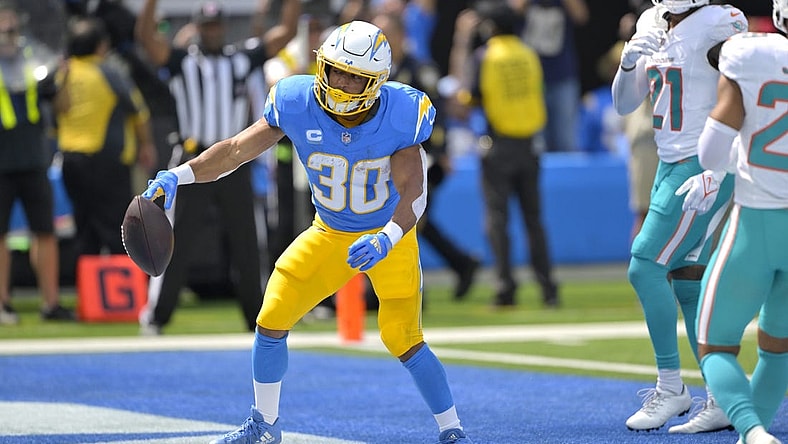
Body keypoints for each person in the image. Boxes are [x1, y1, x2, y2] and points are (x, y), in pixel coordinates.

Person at [141, 20, 473, 444]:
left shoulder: (402, 112)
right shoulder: (296, 100)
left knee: (403, 338)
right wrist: (179, 174)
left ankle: (452, 430)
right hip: (329, 232)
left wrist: (387, 237)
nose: (343, 82)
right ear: (323, 66)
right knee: (272, 315)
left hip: (386, 236)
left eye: (357, 77)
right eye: (338, 70)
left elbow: (415, 190)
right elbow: (236, 150)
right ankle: (264, 426)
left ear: (377, 82)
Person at [611, 0, 747, 433]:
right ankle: (723, 396)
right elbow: (623, 103)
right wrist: (628, 62)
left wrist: (721, 169)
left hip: (703, 163)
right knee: (687, 280)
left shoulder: (719, 22)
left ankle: (671, 387)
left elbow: (746, 98)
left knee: (644, 265)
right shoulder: (651, 20)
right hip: (670, 161)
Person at [133, 0, 300, 335]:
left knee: (248, 243)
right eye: (207, 26)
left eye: (216, 25)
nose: (213, 31)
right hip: (192, 160)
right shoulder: (183, 61)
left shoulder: (241, 59)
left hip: (232, 162)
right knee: (174, 240)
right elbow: (146, 37)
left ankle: (257, 318)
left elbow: (286, 34)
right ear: (197, 28)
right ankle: (156, 316)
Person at [693, 2, 788, 443]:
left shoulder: (751, 54)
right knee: (779, 346)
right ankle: (756, 435)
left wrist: (735, 160)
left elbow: (711, 153)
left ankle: (751, 431)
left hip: (756, 222)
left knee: (714, 343)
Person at [455, 1, 559, 308]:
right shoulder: (528, 54)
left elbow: (469, 97)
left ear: (489, 27)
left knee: (497, 219)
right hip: (530, 144)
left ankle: (505, 288)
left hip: (498, 144)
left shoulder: (485, 56)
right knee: (534, 220)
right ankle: (548, 288)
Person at [372, 11, 479, 301]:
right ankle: (461, 263)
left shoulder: (419, 69)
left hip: (423, 159)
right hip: (389, 162)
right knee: (415, 219)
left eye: (385, 34)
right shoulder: (379, 71)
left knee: (407, 218)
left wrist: (441, 151)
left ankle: (414, 287)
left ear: (400, 35)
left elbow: (436, 113)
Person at [55, 16, 156, 259]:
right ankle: (122, 291)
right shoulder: (109, 72)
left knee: (84, 230)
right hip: (106, 161)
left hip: (70, 161)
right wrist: (147, 144)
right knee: (118, 230)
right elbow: (138, 111)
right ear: (100, 45)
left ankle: (87, 292)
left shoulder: (62, 74)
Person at [0, 1, 74, 323]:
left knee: (45, 231)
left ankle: (51, 303)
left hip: (33, 160)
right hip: (1, 162)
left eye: (12, 29)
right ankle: (2, 303)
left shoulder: (33, 61)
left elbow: (62, 106)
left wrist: (64, 79)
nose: (7, 35)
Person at [512, 0, 589, 153]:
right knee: (536, 142)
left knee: (566, 140)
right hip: (529, 79)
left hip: (562, 75)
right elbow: (512, 11)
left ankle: (568, 177)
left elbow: (581, 16)